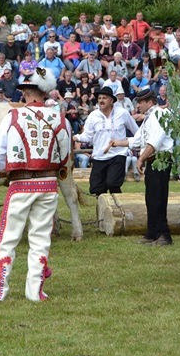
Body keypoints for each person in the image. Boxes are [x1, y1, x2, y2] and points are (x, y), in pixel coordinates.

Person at [0, 68, 70, 302]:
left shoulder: (13, 117)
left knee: (9, 237)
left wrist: (7, 168)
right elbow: (65, 153)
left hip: (21, 183)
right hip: (49, 184)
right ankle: (35, 291)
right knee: (41, 237)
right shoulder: (60, 118)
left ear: (28, 93)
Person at [109, 89, 174, 245]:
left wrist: (140, 159)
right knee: (151, 199)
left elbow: (155, 141)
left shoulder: (159, 114)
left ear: (149, 102)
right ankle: (152, 233)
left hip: (160, 160)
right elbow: (137, 140)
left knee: (158, 198)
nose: (137, 106)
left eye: (140, 102)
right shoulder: (149, 117)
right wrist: (117, 142)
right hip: (153, 161)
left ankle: (164, 235)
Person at [73, 86, 138, 196]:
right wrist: (75, 137)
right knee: (96, 188)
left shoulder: (122, 113)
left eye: (104, 98)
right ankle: (103, 212)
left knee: (112, 183)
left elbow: (137, 131)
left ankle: (118, 208)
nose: (101, 101)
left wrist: (128, 142)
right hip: (99, 155)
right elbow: (87, 135)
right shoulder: (93, 115)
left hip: (118, 155)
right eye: (99, 98)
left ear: (112, 100)